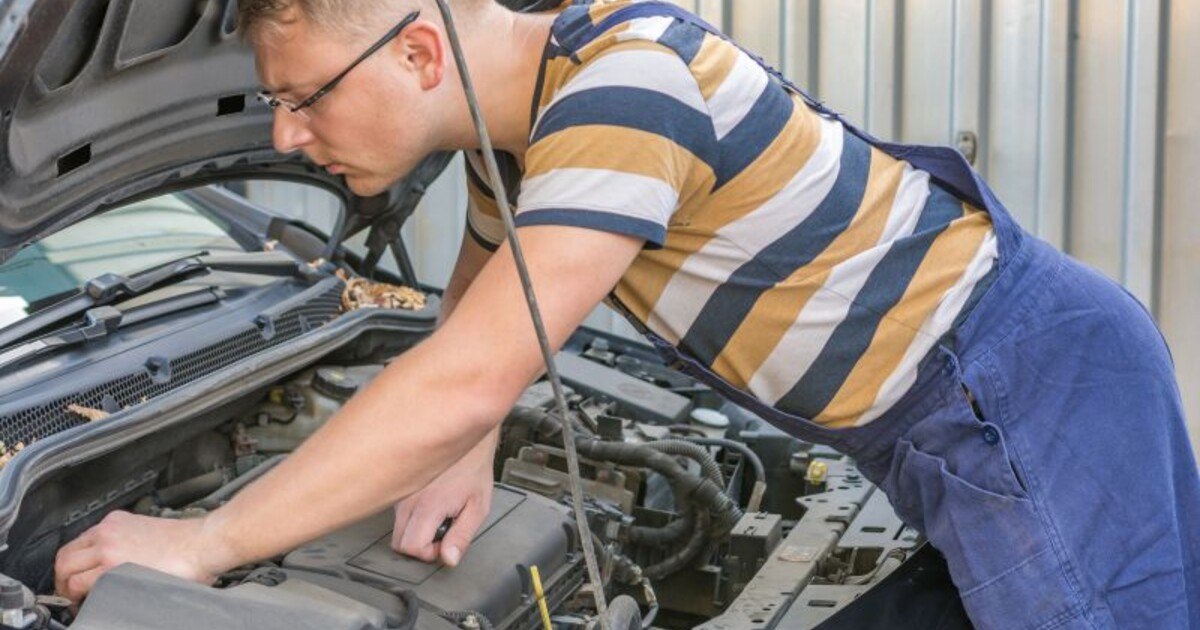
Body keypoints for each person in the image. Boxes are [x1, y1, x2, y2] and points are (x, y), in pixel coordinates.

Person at [53, 1, 1200, 627]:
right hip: (941, 414)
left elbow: (469, 371)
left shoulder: (623, 89)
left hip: (1019, 397)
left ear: (413, 50)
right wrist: (471, 452)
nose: (287, 138)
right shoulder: (533, 126)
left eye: (300, 100)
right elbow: (480, 308)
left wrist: (204, 540)